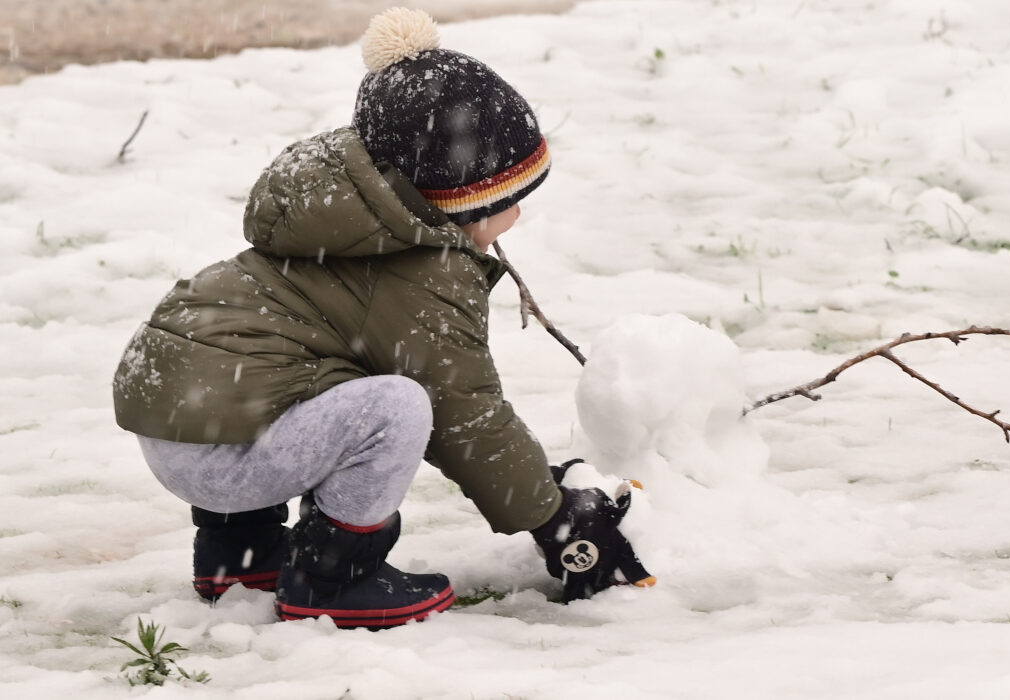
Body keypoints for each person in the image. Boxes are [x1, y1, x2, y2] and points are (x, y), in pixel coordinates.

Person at [111, 7, 652, 629]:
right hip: (224, 459)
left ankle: (241, 559)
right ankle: (331, 582)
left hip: (179, 429)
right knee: (397, 406)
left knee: (293, 373)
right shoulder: (422, 271)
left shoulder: (347, 223)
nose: (518, 219)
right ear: (466, 201)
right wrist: (551, 513)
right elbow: (465, 415)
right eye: (510, 202)